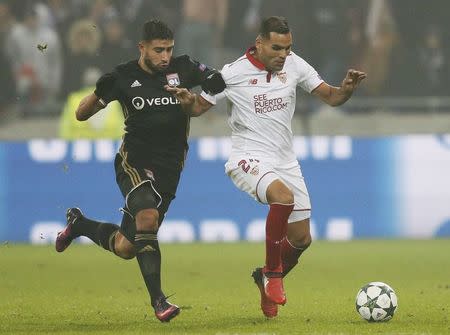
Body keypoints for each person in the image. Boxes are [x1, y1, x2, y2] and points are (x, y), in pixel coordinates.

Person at [166, 16, 366, 318]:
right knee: (282, 198)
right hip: (248, 157)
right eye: (276, 48)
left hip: (286, 161)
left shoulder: (295, 65)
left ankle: (265, 277)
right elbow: (197, 108)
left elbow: (332, 96)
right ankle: (272, 273)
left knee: (301, 239)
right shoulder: (232, 73)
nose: (283, 55)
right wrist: (186, 101)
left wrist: (347, 89)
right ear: (259, 43)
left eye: (287, 48)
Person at [55, 19, 225, 322]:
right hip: (133, 161)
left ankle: (79, 225)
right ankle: (159, 301)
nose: (165, 57)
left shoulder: (183, 67)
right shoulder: (123, 76)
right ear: (142, 48)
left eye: (169, 49)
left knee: (126, 246)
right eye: (158, 50)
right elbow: (81, 114)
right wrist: (98, 94)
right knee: (148, 216)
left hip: (171, 167)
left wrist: (208, 87)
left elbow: (214, 79)